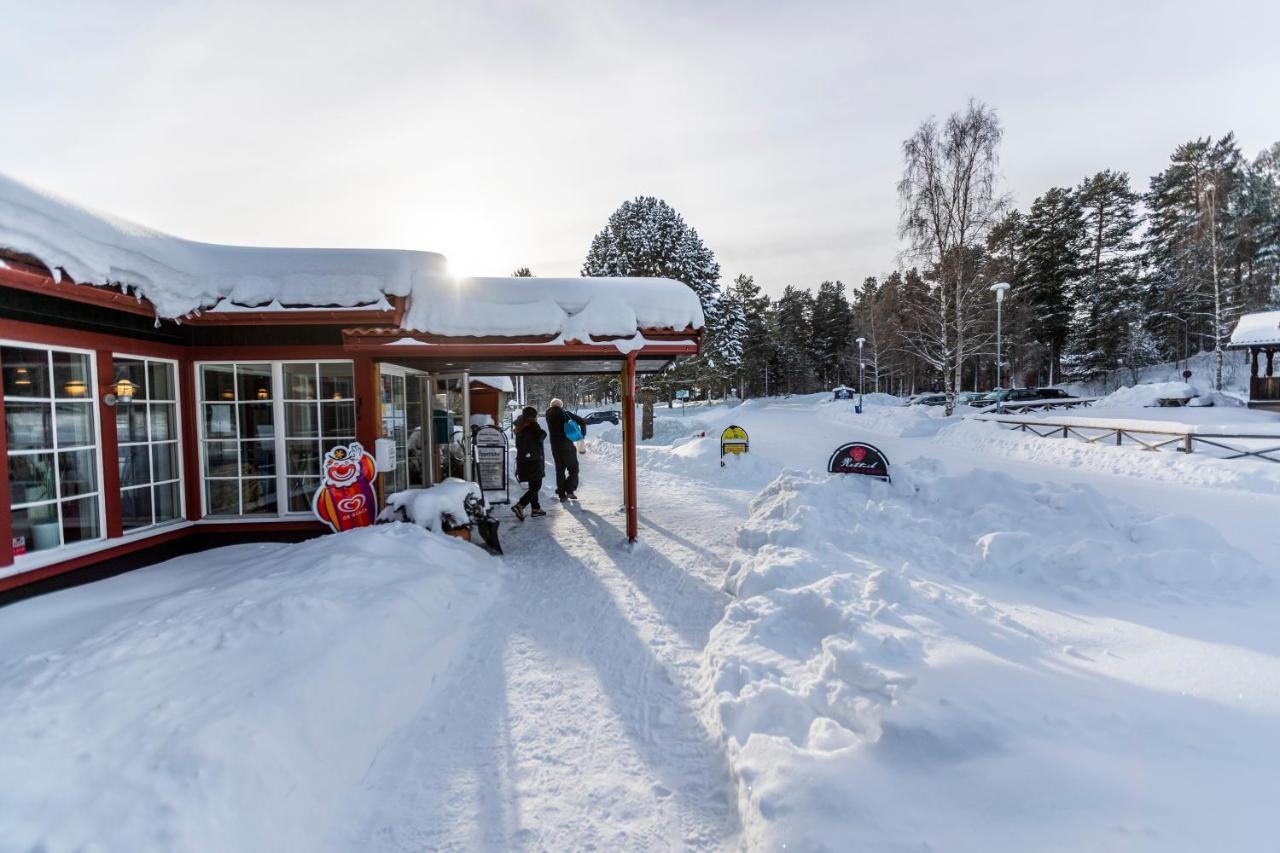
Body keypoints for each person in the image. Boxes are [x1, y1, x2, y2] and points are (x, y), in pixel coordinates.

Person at [544, 398, 586, 501]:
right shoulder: (564, 413)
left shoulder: (548, 414)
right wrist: (582, 434)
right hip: (567, 446)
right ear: (560, 405)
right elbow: (581, 421)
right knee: (573, 469)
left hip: (555, 447)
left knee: (560, 470)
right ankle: (570, 490)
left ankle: (562, 494)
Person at [511, 406, 547, 520]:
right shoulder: (532, 425)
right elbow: (540, 436)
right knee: (536, 486)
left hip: (524, 460)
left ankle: (535, 509)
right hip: (533, 461)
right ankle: (520, 505)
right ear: (533, 416)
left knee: (533, 485)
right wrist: (543, 432)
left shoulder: (521, 425)